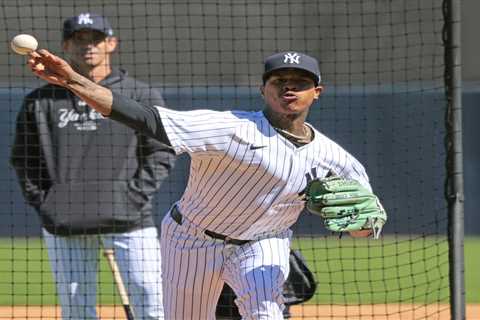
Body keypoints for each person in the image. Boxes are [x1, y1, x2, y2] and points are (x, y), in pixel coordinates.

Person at [25, 49, 384, 319]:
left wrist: (363, 227)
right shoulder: (229, 128)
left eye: (300, 82)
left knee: (266, 313)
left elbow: (365, 226)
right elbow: (145, 119)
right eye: (279, 81)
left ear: (316, 92)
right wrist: (74, 81)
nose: (289, 87)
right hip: (192, 239)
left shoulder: (337, 160)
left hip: (264, 242)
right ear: (264, 89)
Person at [11, 13, 175, 320]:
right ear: (65, 46)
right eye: (79, 39)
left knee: (153, 302)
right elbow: (24, 160)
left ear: (111, 43)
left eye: (96, 39)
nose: (88, 46)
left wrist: (133, 196)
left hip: (131, 220)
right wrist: (49, 204)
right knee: (77, 311)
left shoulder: (139, 94)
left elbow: (162, 150)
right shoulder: (40, 101)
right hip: (66, 222)